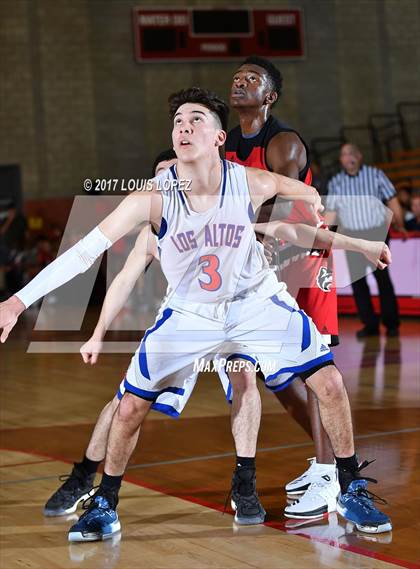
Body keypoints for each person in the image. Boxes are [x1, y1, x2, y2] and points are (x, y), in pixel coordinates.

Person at [0, 88, 392, 540]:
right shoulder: (154, 198)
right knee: (128, 408)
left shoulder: (247, 181)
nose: (184, 127)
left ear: (219, 136)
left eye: (196, 120)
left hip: (255, 302)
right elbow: (84, 254)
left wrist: (312, 194)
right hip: (190, 313)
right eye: (178, 122)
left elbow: (289, 189)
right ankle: (104, 502)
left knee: (329, 382)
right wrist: (18, 301)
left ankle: (349, 486)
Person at [226, 55, 339, 518]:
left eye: (251, 79)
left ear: (269, 96)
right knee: (272, 370)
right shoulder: (227, 142)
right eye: (236, 77)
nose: (240, 83)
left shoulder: (284, 142)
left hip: (302, 254)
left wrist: (246, 255)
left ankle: (332, 476)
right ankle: (328, 462)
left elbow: (281, 208)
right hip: (262, 254)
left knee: (313, 367)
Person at [325, 143, 405, 338]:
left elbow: (392, 200)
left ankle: (391, 323)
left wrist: (400, 224)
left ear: (359, 156)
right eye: (344, 154)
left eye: (352, 153)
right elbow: (331, 213)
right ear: (341, 160)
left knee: (383, 278)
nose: (348, 157)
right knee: (358, 282)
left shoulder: (375, 174)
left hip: (377, 233)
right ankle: (370, 325)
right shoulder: (336, 182)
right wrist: (325, 235)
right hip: (352, 236)